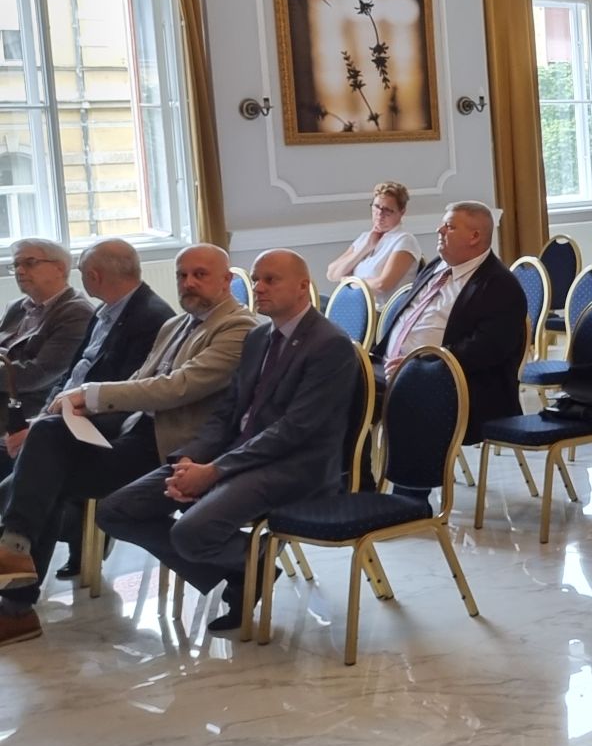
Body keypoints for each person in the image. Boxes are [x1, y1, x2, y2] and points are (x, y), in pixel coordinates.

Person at [94, 250, 362, 635]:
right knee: (116, 511)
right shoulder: (259, 337)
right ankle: (245, 569)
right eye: (256, 279)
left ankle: (251, 564)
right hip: (237, 456)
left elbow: (295, 430)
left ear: (303, 286)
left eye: (271, 280)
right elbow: (226, 414)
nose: (259, 287)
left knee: (190, 532)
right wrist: (190, 459)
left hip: (294, 467)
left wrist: (214, 471)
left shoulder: (329, 344)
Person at [0, 246, 252, 643]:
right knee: (47, 439)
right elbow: (138, 380)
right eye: (182, 275)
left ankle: (16, 594)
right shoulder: (177, 325)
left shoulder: (238, 327)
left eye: (200, 274)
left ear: (227, 281)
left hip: (175, 447)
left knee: (45, 475)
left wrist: (90, 395)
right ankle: (15, 567)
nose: (188, 283)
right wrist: (79, 408)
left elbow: (177, 387)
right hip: (133, 433)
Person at [370, 201, 526, 435]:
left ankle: (370, 459)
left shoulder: (500, 285)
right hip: (391, 367)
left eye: (449, 227)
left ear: (474, 236)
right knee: (339, 382)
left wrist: (418, 365)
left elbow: (484, 351)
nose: (439, 230)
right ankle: (354, 458)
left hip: (451, 383)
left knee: (354, 401)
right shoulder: (437, 266)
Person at [0, 240, 94, 450]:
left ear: (59, 268)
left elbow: (37, 375)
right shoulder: (17, 307)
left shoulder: (76, 312)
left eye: (30, 263)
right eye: (16, 265)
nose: (20, 271)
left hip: (26, 409)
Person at [325, 181, 422, 299]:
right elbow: (332, 274)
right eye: (376, 207)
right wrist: (364, 249)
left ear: (402, 212)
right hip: (354, 302)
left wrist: (351, 281)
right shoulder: (365, 238)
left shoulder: (404, 240)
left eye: (387, 210)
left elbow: (382, 284)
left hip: (380, 308)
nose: (379, 214)